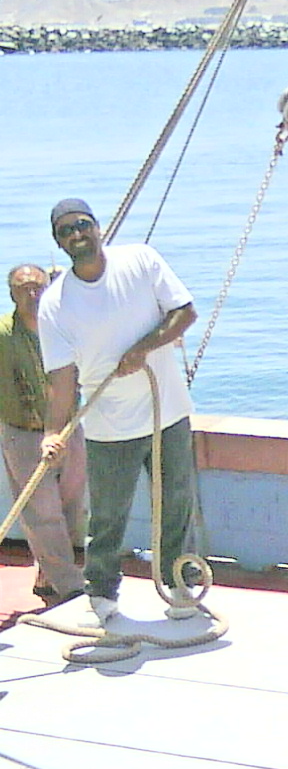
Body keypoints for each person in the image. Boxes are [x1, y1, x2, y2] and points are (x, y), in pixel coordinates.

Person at [37, 198, 200, 625]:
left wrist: (142, 349)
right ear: (59, 242)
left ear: (98, 226)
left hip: (168, 413)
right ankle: (102, 598)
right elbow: (61, 383)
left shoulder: (141, 261)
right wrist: (53, 433)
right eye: (67, 230)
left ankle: (178, 587)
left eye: (83, 225)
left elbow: (185, 313)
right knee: (107, 517)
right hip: (109, 427)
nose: (77, 234)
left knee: (176, 506)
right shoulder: (55, 304)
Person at [0, 263, 86, 602]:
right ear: (12, 293)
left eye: (38, 286)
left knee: (73, 510)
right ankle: (70, 588)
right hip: (24, 434)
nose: (32, 294)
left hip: (68, 429)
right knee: (42, 514)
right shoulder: (4, 335)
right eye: (24, 288)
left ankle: (47, 579)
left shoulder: (65, 327)